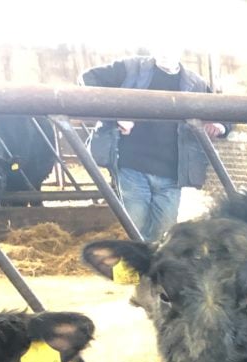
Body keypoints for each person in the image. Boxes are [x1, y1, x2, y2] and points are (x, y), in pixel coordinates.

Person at [79, 49, 231, 241]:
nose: (166, 50)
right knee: (134, 227)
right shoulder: (131, 68)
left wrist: (219, 125)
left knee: (165, 233)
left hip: (172, 174)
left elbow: (225, 112)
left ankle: (151, 271)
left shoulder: (196, 83)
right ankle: (131, 270)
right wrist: (117, 115)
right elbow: (88, 79)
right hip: (132, 166)